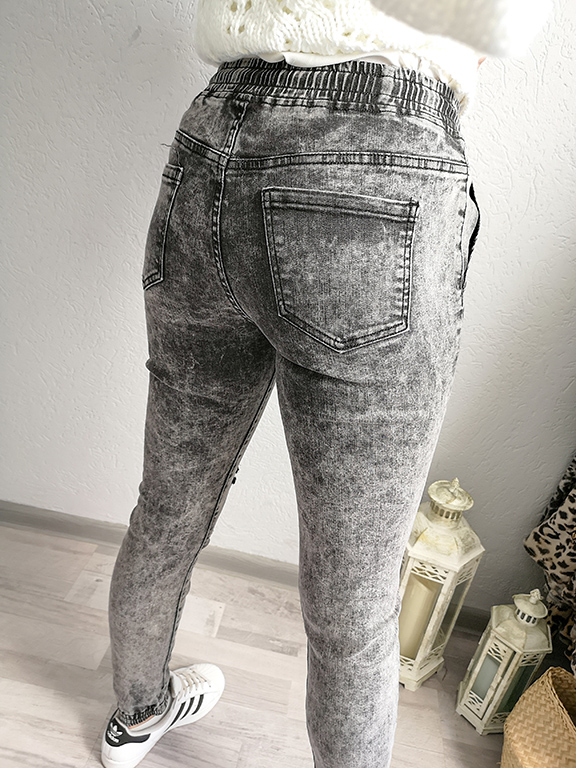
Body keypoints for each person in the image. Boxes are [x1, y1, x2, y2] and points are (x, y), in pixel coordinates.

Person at [100, 2, 550, 767]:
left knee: (168, 501)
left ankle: (136, 712)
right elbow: (501, 26)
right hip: (377, 146)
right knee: (355, 595)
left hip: (216, 134)